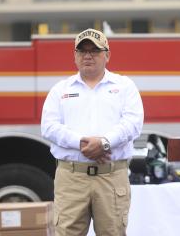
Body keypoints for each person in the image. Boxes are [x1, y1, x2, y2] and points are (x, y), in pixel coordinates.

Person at [41, 28, 144, 236]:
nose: (87, 56)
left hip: (111, 176)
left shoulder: (124, 86)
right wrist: (82, 143)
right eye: (82, 51)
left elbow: (133, 123)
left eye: (94, 51)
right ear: (75, 56)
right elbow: (49, 126)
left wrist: (105, 143)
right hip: (71, 177)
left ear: (107, 55)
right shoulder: (60, 89)